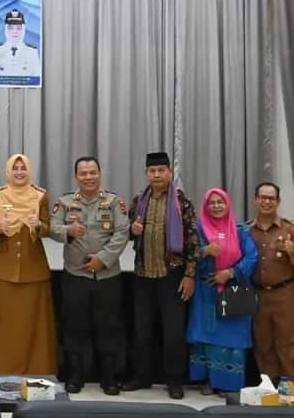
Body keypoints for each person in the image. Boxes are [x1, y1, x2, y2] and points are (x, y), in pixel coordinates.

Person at [122, 151, 199, 399]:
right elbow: (125, 233)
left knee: (173, 332)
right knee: (142, 330)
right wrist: (132, 230)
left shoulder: (182, 202)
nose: (156, 175)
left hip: (172, 276)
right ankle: (141, 376)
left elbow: (193, 240)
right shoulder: (138, 200)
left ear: (169, 172)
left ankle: (174, 380)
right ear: (146, 173)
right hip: (143, 275)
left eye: (161, 170)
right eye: (152, 171)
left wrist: (189, 275)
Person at [50, 156, 129, 394]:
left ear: (99, 174)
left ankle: (109, 378)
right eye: (83, 173)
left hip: (107, 276)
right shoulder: (65, 202)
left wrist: (102, 259)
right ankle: (75, 377)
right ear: (76, 176)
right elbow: (52, 228)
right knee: (74, 326)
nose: (88, 177)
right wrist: (68, 230)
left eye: (92, 172)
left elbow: (122, 232)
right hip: (75, 276)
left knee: (108, 326)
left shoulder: (114, 202)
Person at [0, 153, 57, 374]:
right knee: (3, 326)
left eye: (23, 168)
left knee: (34, 326)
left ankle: (36, 370)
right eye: (15, 168)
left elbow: (49, 229)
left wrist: (38, 226)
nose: (19, 172)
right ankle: (1, 370)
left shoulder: (40, 196)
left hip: (34, 269)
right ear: (8, 171)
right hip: (3, 270)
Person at [186, 188, 258, 394]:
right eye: (212, 203)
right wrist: (204, 251)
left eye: (220, 202)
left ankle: (229, 384)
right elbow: (187, 255)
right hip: (206, 291)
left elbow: (252, 257)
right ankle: (209, 381)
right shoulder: (199, 230)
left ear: (228, 204)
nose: (216, 206)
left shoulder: (239, 230)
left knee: (232, 338)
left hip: (233, 291)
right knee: (207, 335)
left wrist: (230, 272)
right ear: (205, 206)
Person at [248, 181, 294, 382]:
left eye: (271, 198)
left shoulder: (289, 229)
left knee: (287, 342)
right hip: (257, 295)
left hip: (285, 294)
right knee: (262, 343)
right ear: (255, 200)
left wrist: (292, 253)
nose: (266, 202)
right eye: (263, 197)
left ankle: (290, 386)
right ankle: (269, 386)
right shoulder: (246, 231)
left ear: (278, 201)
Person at [0, 9, 40, 77]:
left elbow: (36, 76)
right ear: (6, 30)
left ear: (23, 30)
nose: (15, 31)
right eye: (10, 28)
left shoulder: (32, 52)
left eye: (19, 28)